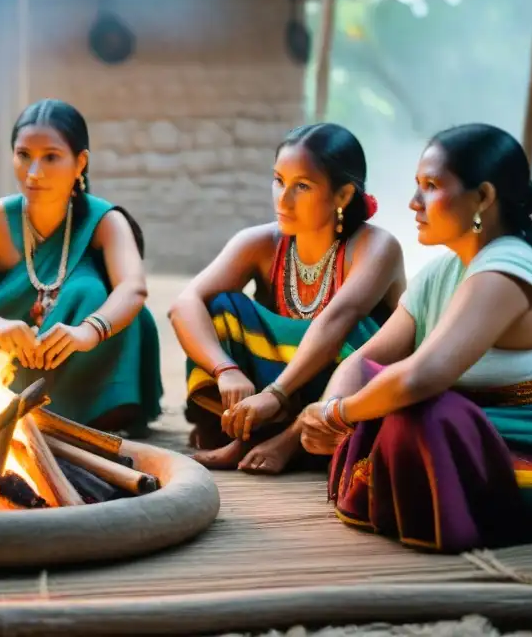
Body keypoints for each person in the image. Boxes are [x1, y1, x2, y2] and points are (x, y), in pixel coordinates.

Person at [299, 123, 532, 552]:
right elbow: (365, 360)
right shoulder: (444, 271)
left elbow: (421, 378)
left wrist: (339, 415)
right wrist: (324, 418)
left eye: (431, 186)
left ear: (484, 198)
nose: (414, 203)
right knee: (384, 393)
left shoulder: (508, 267)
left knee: (415, 408)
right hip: (479, 425)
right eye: (417, 185)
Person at [169, 123, 405, 474]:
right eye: (278, 180)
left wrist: (276, 395)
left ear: (342, 196)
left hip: (334, 399)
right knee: (219, 309)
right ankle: (243, 433)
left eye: (302, 186)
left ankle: (293, 439)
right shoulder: (260, 243)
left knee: (360, 333)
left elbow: (337, 320)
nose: (283, 198)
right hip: (268, 394)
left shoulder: (376, 247)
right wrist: (227, 370)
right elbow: (184, 304)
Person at [0, 99, 162, 434]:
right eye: (23, 154)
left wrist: (87, 332)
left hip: (78, 354)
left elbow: (134, 287)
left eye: (51, 157)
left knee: (94, 293)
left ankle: (87, 409)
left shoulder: (105, 221)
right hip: (5, 354)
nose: (33, 173)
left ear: (80, 162)